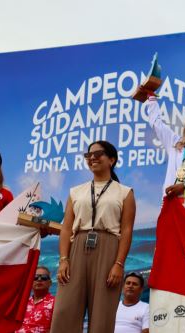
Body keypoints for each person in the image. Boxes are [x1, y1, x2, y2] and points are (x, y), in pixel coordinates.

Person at [51, 141, 136, 333]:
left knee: (102, 314)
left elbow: (127, 230)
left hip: (108, 247)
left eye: (98, 154)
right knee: (65, 309)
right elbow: (66, 229)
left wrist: (119, 264)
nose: (92, 158)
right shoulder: (76, 191)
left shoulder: (125, 192)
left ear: (111, 160)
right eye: (89, 155)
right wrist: (63, 259)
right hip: (77, 247)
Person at [17, 266, 56, 333]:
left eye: (44, 277)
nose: (39, 279)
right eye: (35, 277)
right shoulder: (22, 303)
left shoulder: (55, 303)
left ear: (50, 283)